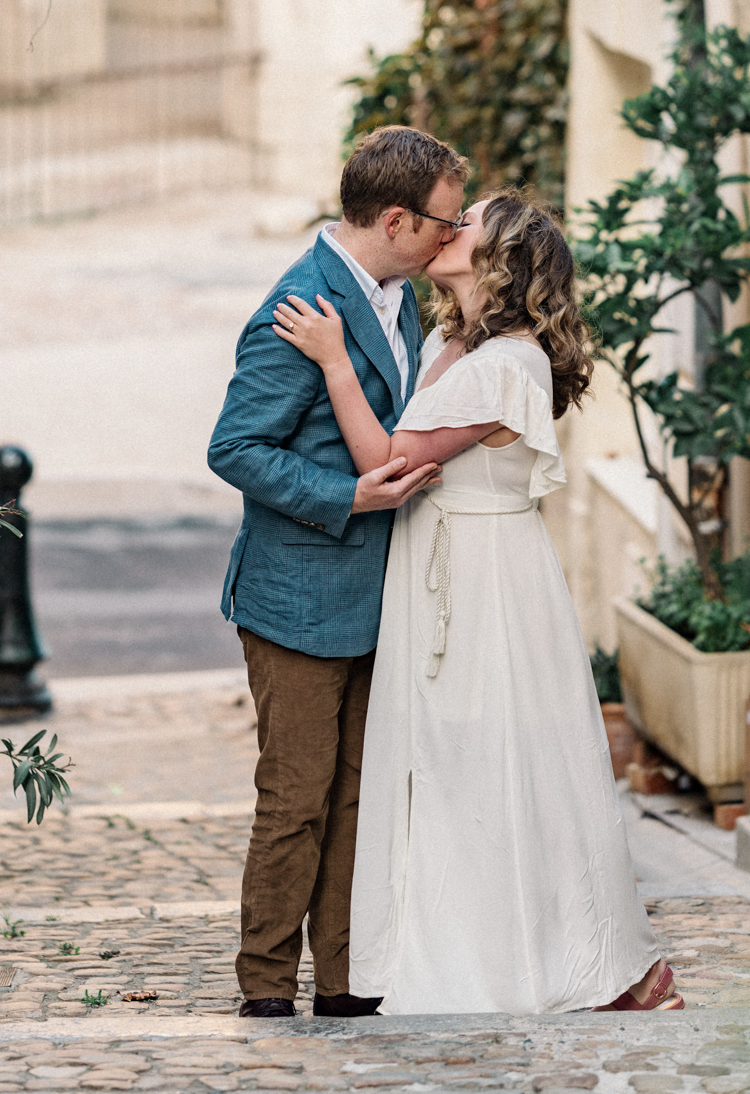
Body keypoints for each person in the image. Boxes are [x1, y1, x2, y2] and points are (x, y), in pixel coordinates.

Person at [272, 189, 682, 1016]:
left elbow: (387, 458)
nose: (449, 229)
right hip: (441, 562)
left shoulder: (505, 364)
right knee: (449, 765)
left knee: (490, 761)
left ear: (501, 261)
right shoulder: (448, 341)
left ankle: (575, 961)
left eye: (469, 223)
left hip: (486, 580)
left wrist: (333, 361)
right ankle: (478, 938)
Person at [207, 125, 470, 1019]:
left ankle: (347, 981)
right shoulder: (298, 307)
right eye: (444, 218)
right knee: (296, 801)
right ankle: (266, 989)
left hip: (378, 593)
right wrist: (347, 496)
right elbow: (235, 447)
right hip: (299, 599)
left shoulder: (395, 291)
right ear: (396, 218)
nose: (454, 232)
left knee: (360, 794)